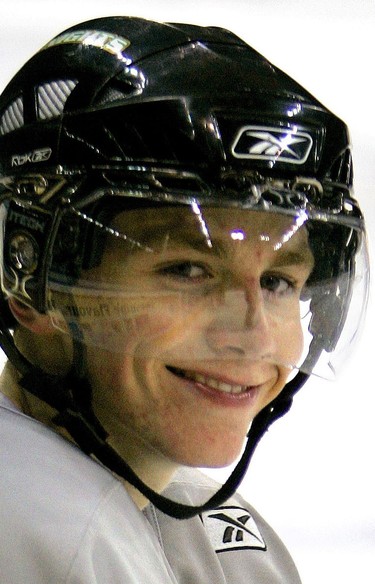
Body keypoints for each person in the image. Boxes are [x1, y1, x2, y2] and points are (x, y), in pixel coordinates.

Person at [0, 15, 369, 583]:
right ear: (29, 281)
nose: (253, 334)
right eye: (189, 270)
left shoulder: (222, 539)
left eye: (277, 283)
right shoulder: (44, 528)